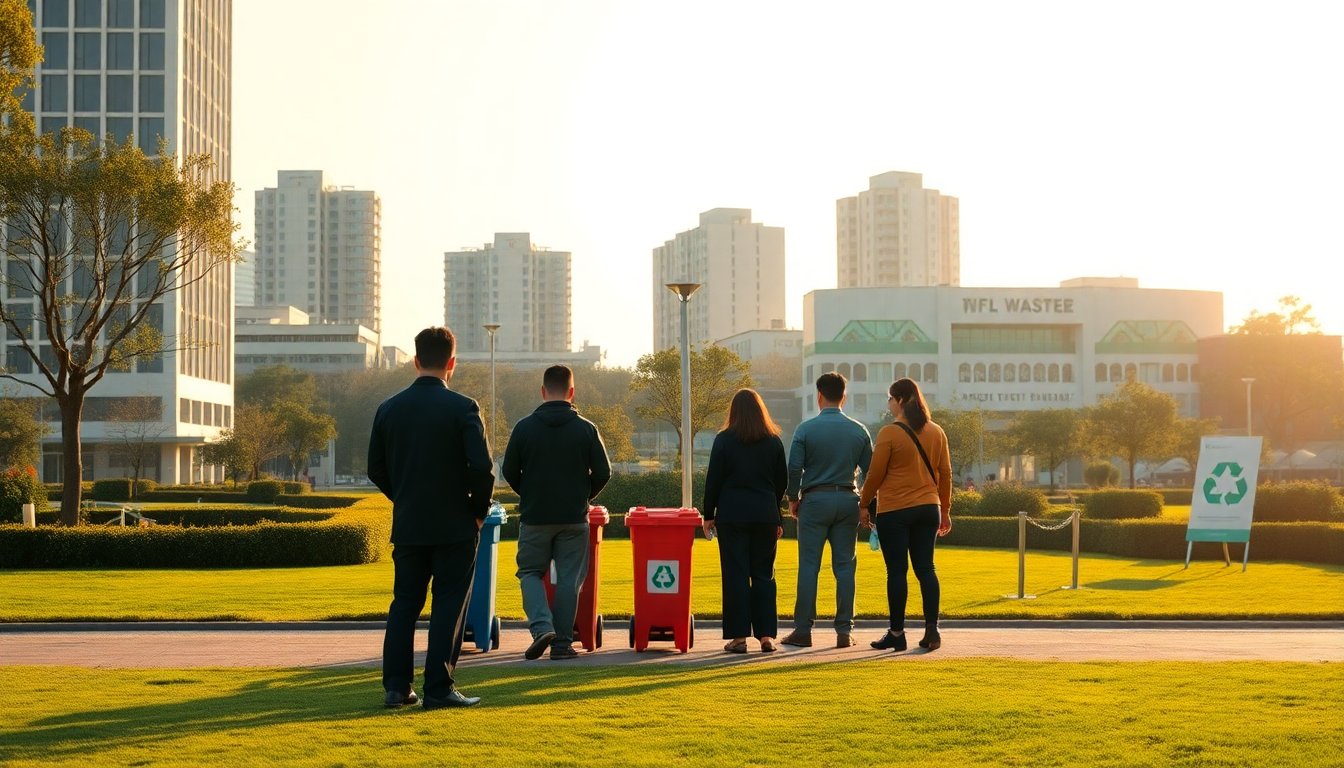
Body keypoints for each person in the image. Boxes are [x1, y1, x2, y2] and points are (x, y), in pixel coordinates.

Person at [368, 326, 494, 710]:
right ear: (452, 362)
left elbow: (376, 468)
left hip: (410, 522)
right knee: (448, 605)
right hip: (455, 524)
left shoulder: (389, 408)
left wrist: (404, 497)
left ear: (415, 360)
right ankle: (439, 687)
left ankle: (396, 687)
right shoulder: (464, 407)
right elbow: (482, 469)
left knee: (404, 604)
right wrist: (477, 513)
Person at [502, 365, 612, 660]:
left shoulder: (524, 428)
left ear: (542, 391)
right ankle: (562, 645)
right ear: (572, 392)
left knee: (529, 572)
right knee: (568, 580)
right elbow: (604, 471)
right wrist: (584, 496)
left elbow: (509, 470)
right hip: (573, 517)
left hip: (535, 516)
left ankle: (541, 627)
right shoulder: (586, 429)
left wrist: (529, 494)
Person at [858, 377, 953, 653]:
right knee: (926, 568)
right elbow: (946, 474)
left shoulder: (890, 432)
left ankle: (897, 633)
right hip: (928, 508)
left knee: (897, 571)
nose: (888, 403)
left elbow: (875, 474)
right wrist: (945, 510)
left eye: (890, 398)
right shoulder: (937, 431)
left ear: (899, 400)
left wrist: (864, 503)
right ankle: (932, 629)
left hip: (895, 509)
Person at [780, 372, 874, 649]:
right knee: (845, 568)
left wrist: (793, 498)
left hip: (814, 501)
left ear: (818, 396)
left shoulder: (805, 429)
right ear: (844, 396)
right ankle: (844, 630)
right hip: (847, 500)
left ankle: (803, 630)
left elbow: (794, 468)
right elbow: (871, 471)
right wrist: (866, 504)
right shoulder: (859, 430)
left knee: (809, 567)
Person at [701, 388, 788, 654]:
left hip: (732, 515)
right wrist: (776, 514)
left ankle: (739, 638)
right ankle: (766, 636)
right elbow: (781, 482)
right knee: (764, 575)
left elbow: (713, 480)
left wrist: (708, 515)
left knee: (735, 575)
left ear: (734, 412)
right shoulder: (773, 441)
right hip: (764, 514)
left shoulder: (724, 440)